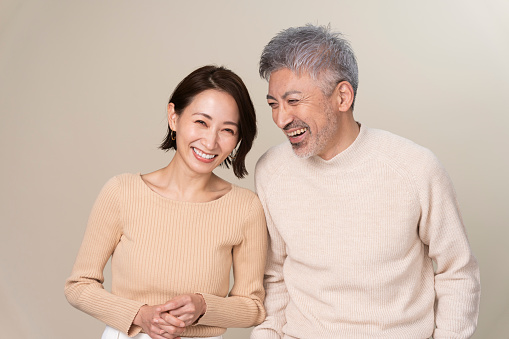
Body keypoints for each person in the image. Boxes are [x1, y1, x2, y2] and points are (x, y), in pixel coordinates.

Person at [250, 24, 480, 339]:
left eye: (293, 101)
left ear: (342, 96)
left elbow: (458, 273)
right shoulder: (271, 170)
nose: (281, 119)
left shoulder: (414, 167)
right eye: (273, 105)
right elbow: (273, 276)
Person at [65, 65, 267, 339]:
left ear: (238, 139)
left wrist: (204, 306)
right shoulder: (122, 192)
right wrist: (140, 315)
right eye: (201, 122)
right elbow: (79, 285)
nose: (210, 142)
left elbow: (253, 307)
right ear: (174, 117)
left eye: (227, 130)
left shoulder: (245, 207)